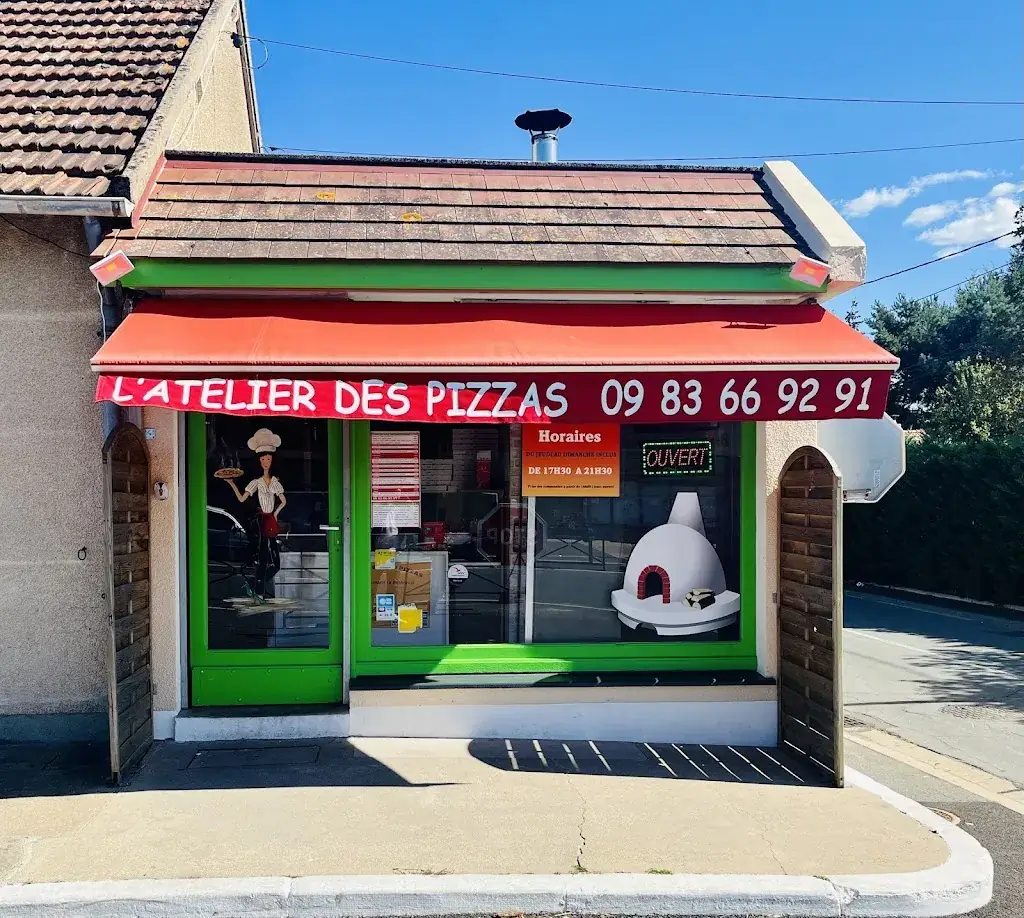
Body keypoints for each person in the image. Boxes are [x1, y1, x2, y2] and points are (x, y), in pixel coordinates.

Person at [223, 428, 286, 598]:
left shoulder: (274, 481)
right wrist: (231, 484)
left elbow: (283, 500)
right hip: (260, 521)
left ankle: (255, 586)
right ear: (259, 461)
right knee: (264, 557)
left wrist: (276, 513)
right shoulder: (256, 482)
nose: (266, 462)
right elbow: (242, 499)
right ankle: (258, 591)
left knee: (275, 562)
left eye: (268, 459)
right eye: (263, 459)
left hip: (270, 519)